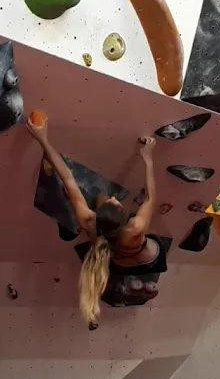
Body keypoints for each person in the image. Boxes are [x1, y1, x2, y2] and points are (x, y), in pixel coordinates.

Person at [27, 117, 166, 324]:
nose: (114, 198)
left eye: (112, 201)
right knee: (102, 196)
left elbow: (67, 178)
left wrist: (43, 139)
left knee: (93, 195)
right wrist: (148, 159)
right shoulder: (135, 227)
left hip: (119, 257)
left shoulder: (89, 220)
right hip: (147, 258)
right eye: (115, 201)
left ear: (96, 214)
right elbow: (150, 198)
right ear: (124, 216)